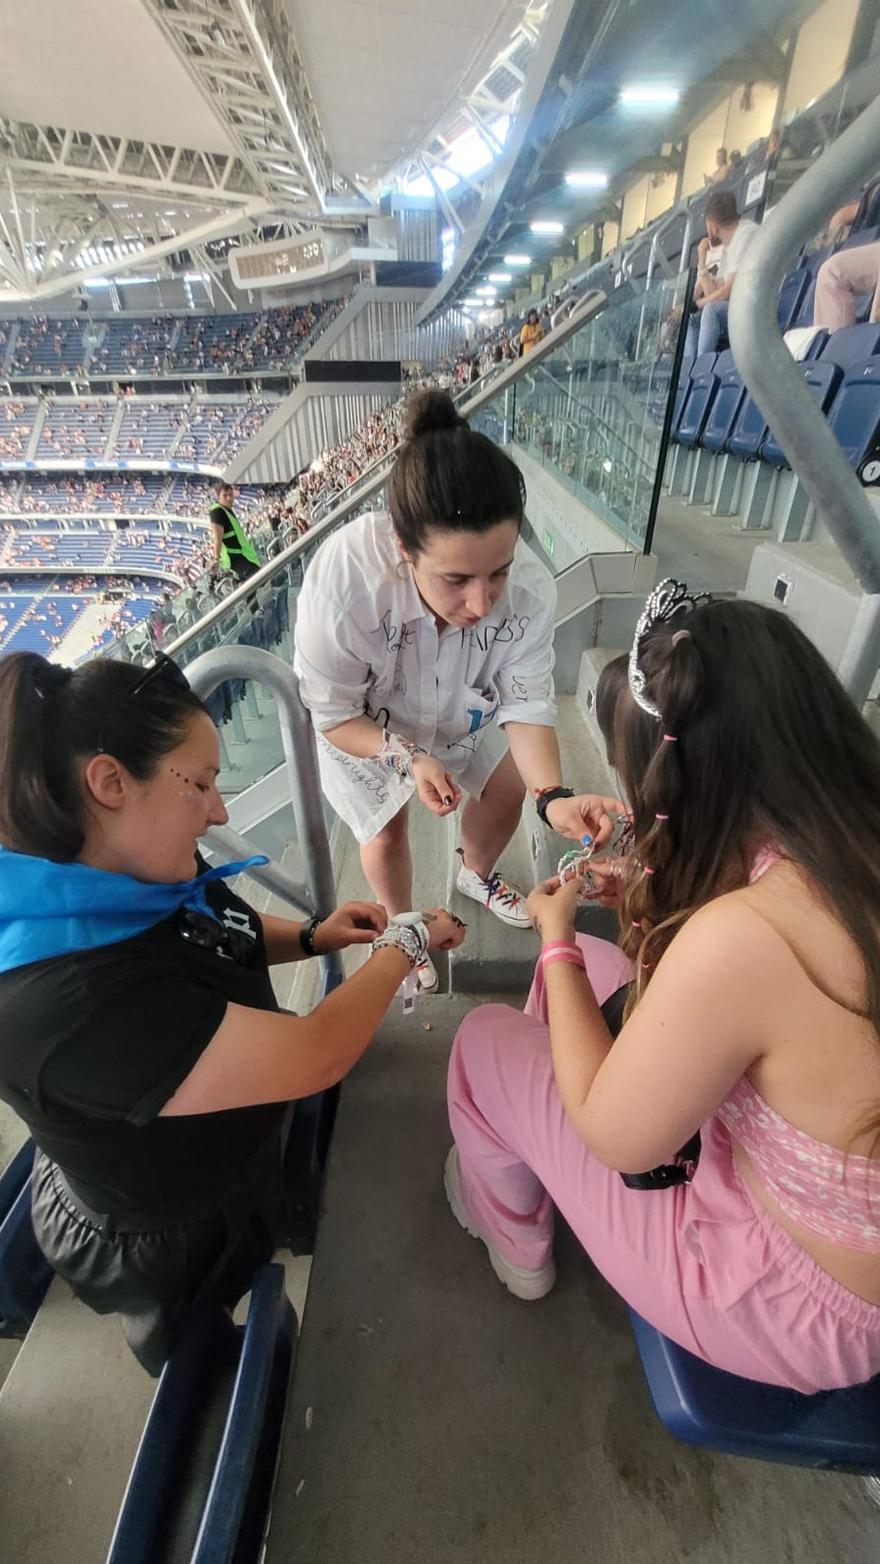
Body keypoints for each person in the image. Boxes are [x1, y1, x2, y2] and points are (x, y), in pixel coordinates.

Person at [444, 582, 880, 1394]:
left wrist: (555, 939)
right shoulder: (843, 844)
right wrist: (635, 915)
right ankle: (529, 1144)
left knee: (483, 1046)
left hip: (788, 1303)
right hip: (831, 1230)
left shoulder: (750, 935)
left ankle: (518, 1241)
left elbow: (622, 1139)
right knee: (603, 983)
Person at [0, 651, 464, 1374]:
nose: (219, 809)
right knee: (193, 1338)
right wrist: (407, 937)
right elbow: (317, 1053)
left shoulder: (120, 869)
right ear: (110, 781)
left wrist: (311, 937)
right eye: (204, 784)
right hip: (171, 1220)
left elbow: (215, 933)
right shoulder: (71, 1000)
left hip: (227, 1148)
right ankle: (191, 1372)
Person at [293, 389, 621, 994]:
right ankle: (404, 929)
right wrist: (408, 756)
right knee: (386, 828)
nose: (480, 603)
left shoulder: (529, 586)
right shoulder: (342, 583)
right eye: (455, 579)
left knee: (511, 781)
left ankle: (476, 873)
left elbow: (524, 700)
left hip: (462, 706)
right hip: (367, 727)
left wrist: (553, 796)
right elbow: (334, 713)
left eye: (498, 572)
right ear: (401, 547)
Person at [686, 190, 760, 357]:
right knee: (691, 317)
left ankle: (701, 370)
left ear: (712, 227)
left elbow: (727, 291)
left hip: (756, 310)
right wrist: (702, 262)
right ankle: (688, 372)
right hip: (738, 309)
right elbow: (715, 294)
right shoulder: (728, 248)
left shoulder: (746, 235)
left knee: (710, 310)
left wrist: (698, 304)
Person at [209, 481, 261, 584]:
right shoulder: (217, 513)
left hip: (243, 555)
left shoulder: (226, 509)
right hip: (234, 558)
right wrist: (216, 559)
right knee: (258, 579)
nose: (229, 498)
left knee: (257, 582)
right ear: (218, 496)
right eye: (225, 495)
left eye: (230, 495)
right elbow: (217, 539)